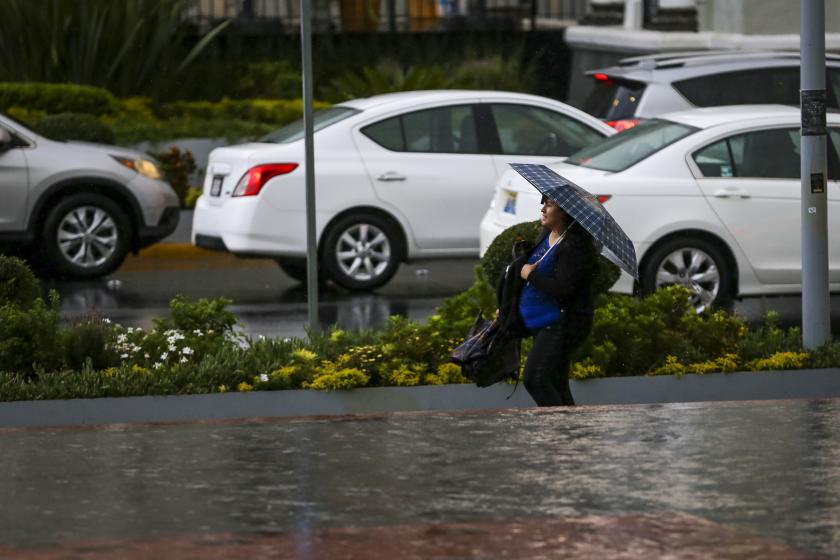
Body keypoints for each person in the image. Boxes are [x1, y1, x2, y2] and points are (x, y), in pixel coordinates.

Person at [515, 196, 597, 406]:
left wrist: (530, 275)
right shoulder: (547, 234)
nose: (543, 209)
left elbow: (563, 290)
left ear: (565, 212)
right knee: (556, 381)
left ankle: (559, 429)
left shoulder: (573, 247)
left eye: (549, 205)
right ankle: (569, 431)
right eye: (544, 203)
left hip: (561, 324)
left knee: (535, 379)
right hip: (542, 319)